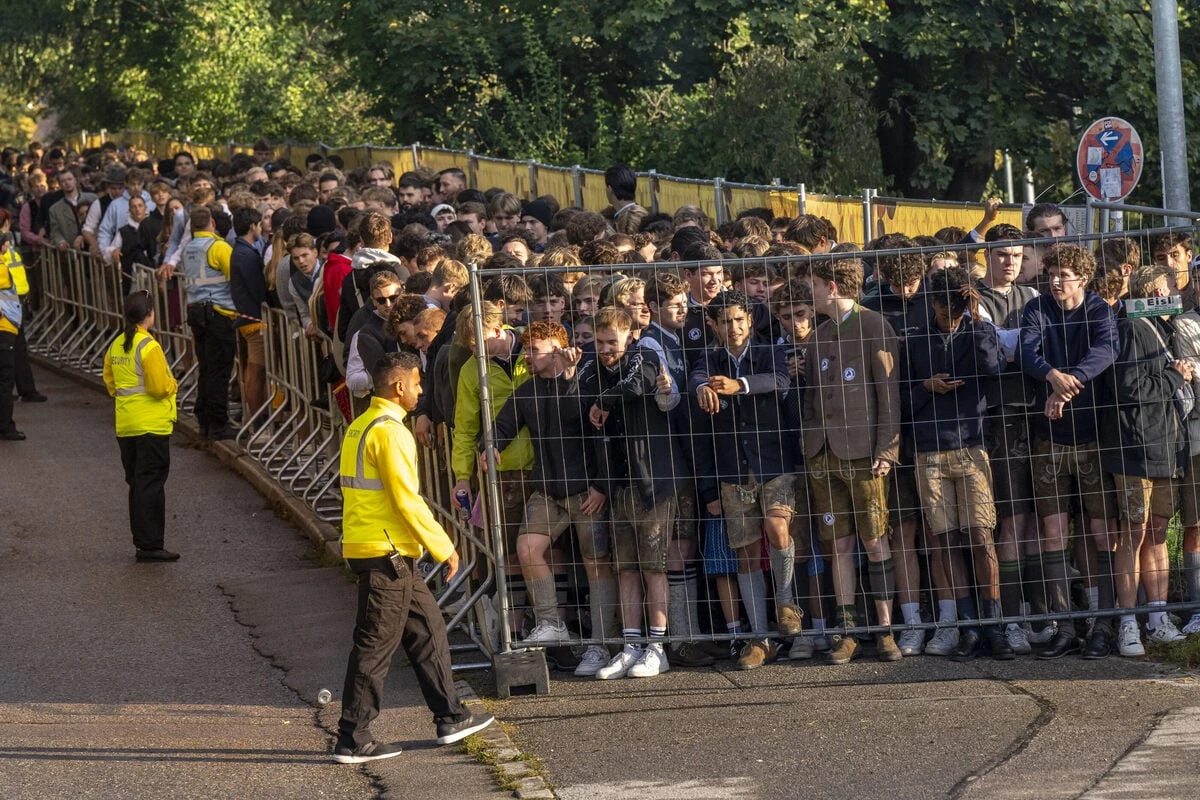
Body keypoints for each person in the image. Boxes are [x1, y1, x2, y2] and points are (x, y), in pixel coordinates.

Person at [334, 351, 493, 763]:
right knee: (374, 646)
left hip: (375, 546)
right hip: (387, 550)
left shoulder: (360, 424)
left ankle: (451, 716)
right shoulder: (390, 431)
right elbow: (407, 499)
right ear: (399, 386)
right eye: (418, 383)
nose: (422, 390)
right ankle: (354, 737)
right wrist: (444, 546)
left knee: (428, 631)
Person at [1019, 243, 1118, 660]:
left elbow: (1106, 351)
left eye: (1064, 275)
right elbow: (1026, 351)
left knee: (1101, 532)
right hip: (1048, 438)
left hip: (1093, 436)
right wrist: (1051, 375)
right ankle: (1064, 624)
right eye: (1052, 274)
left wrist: (1067, 383)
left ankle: (1103, 620)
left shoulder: (1098, 309)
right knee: (1054, 532)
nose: (1056, 281)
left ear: (1082, 277)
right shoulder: (1037, 308)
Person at [803, 255, 903, 664]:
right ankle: (847, 630)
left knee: (875, 539)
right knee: (837, 543)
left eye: (812, 285)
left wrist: (887, 450)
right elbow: (811, 397)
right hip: (822, 455)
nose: (808, 293)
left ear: (832, 286)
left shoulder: (875, 325)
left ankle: (884, 628)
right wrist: (808, 444)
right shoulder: (819, 334)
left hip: (864, 454)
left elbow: (889, 396)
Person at [102, 290, 179, 561]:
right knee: (151, 485)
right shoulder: (149, 346)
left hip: (126, 424)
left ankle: (142, 541)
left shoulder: (116, 344)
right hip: (152, 424)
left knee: (137, 483)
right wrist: (173, 384)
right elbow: (159, 387)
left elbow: (110, 381)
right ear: (150, 315)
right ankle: (150, 545)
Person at [181, 206, 238, 440]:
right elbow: (236, 276)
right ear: (212, 223)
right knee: (220, 370)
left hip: (197, 313)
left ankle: (204, 419)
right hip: (218, 313)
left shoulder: (189, 249)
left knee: (205, 368)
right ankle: (218, 423)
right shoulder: (218, 247)